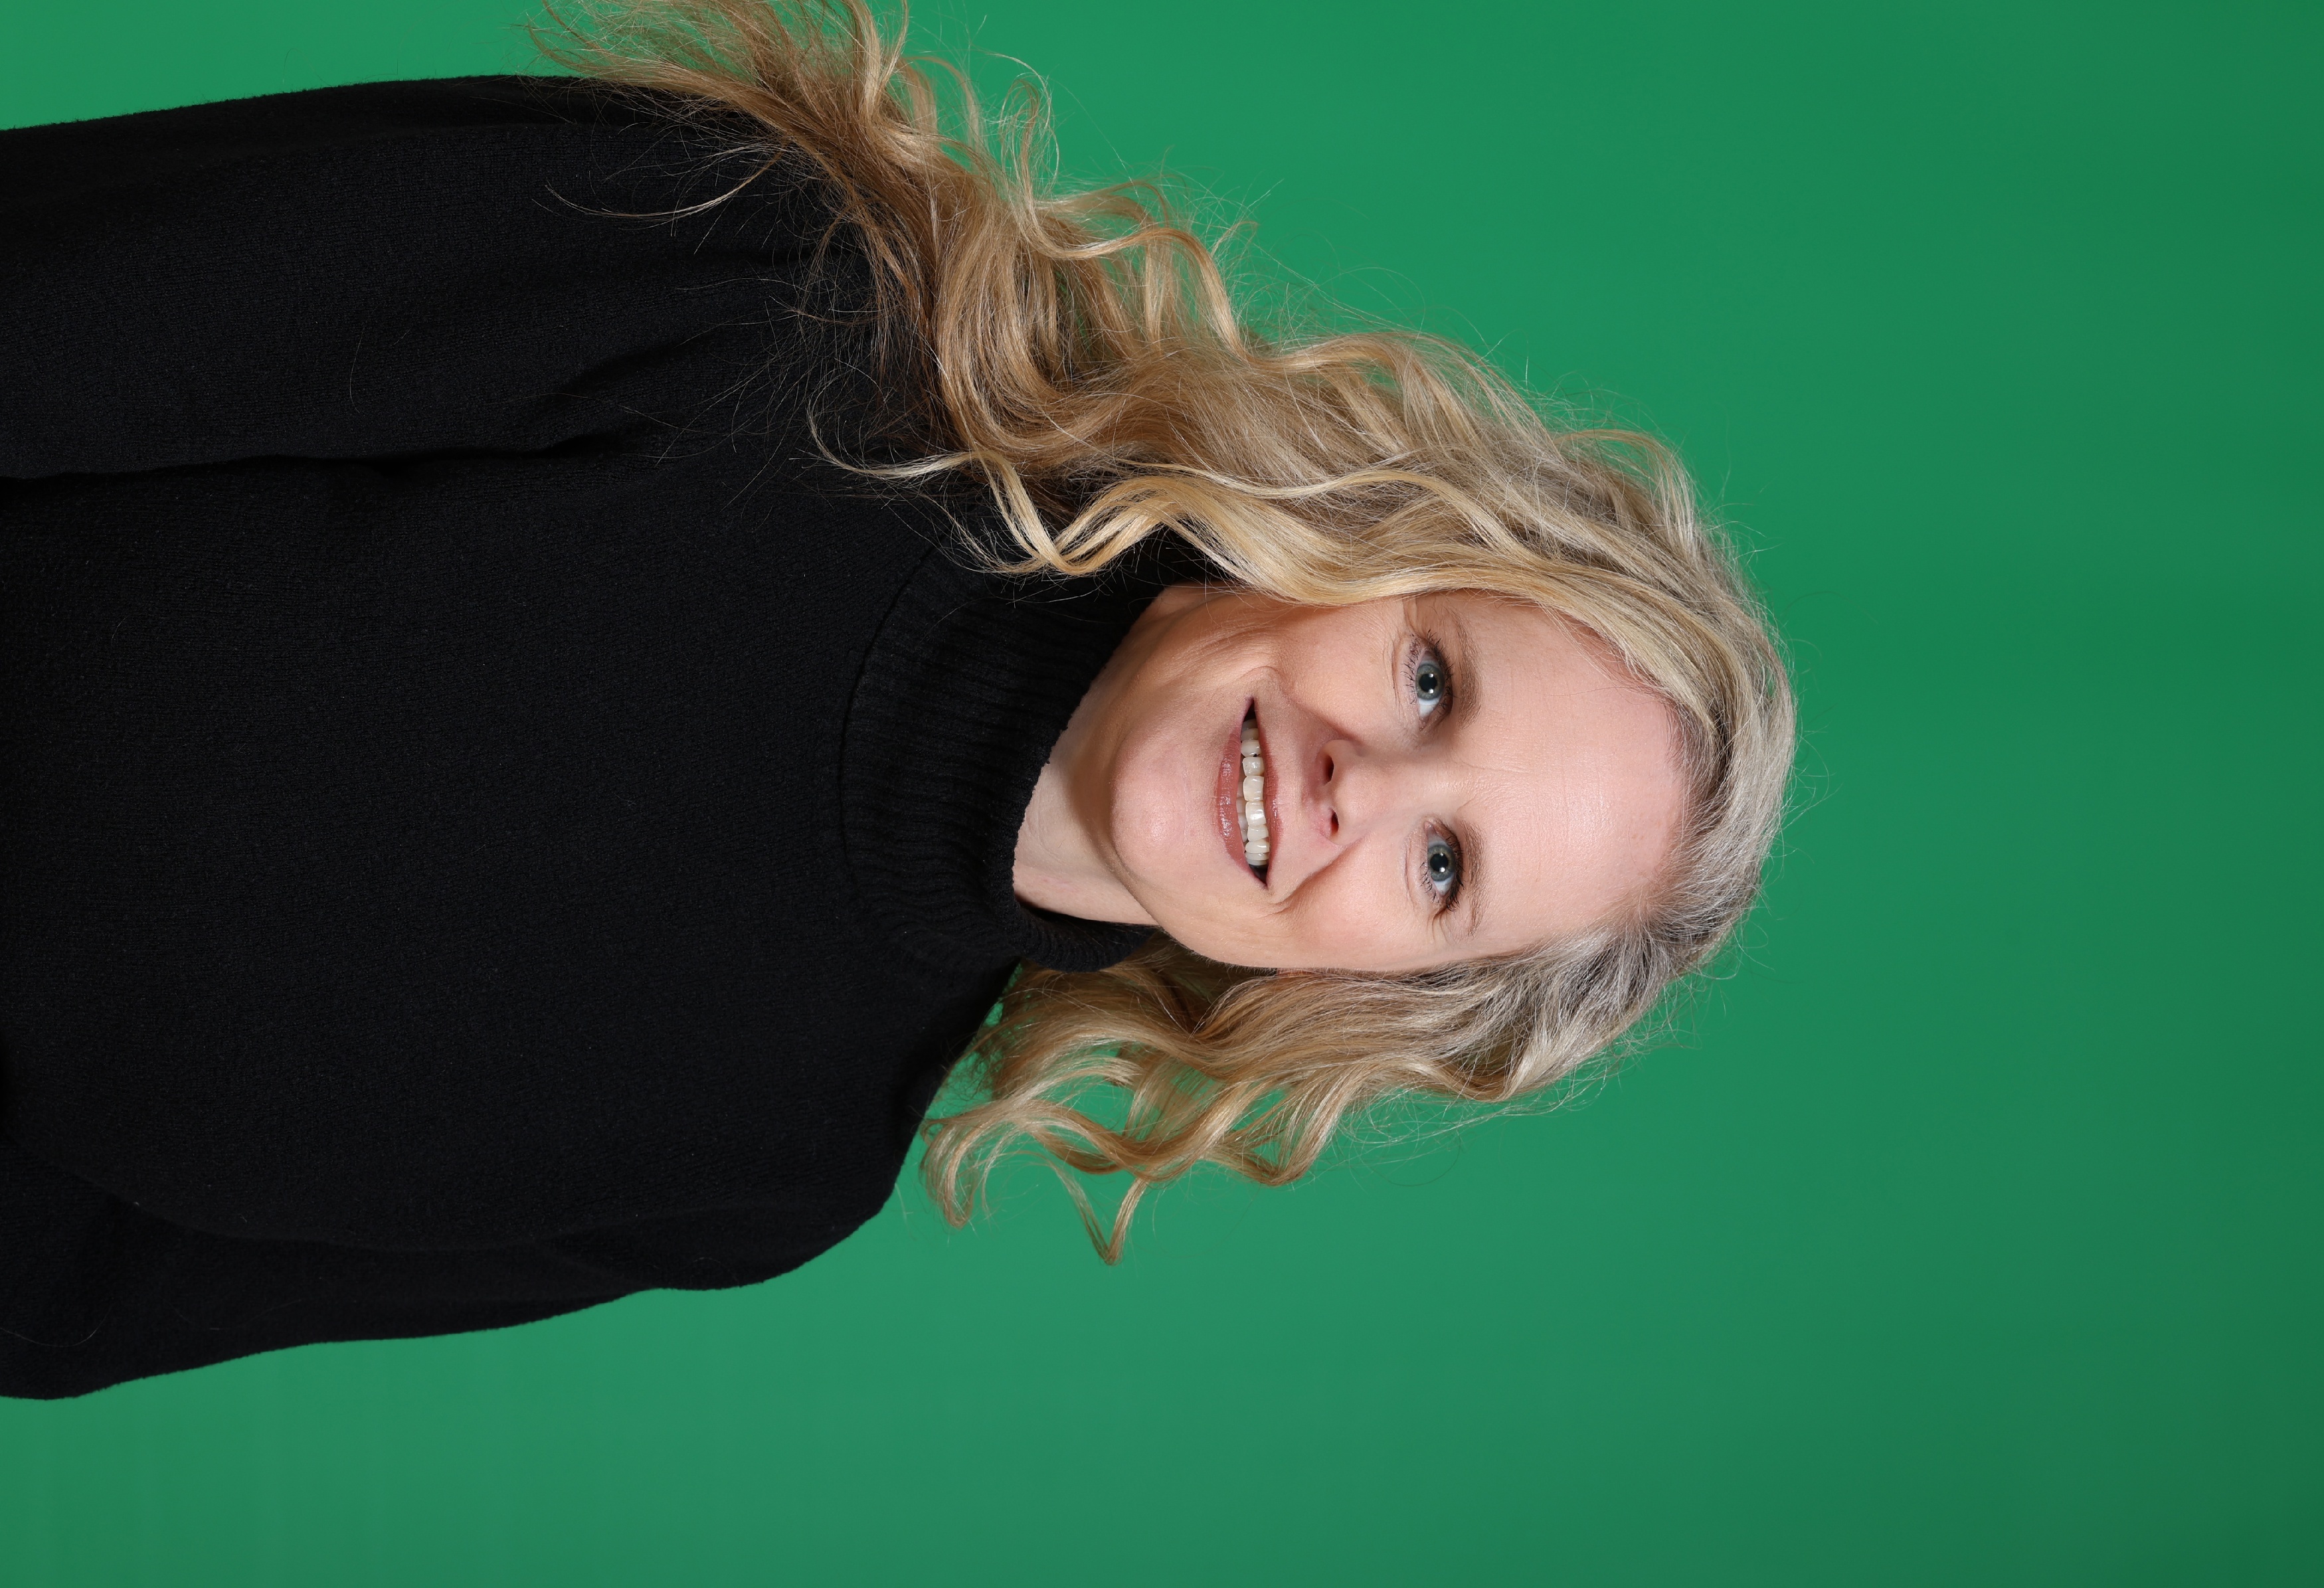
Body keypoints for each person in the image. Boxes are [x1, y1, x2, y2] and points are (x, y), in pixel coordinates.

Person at [0, 0, 1793, 1399]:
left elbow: (53, 1297)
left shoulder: (773, 1172)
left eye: (1442, 869)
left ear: (1369, 993)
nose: (1361, 788)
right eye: (1430, 680)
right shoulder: (780, 299)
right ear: (1360, 536)